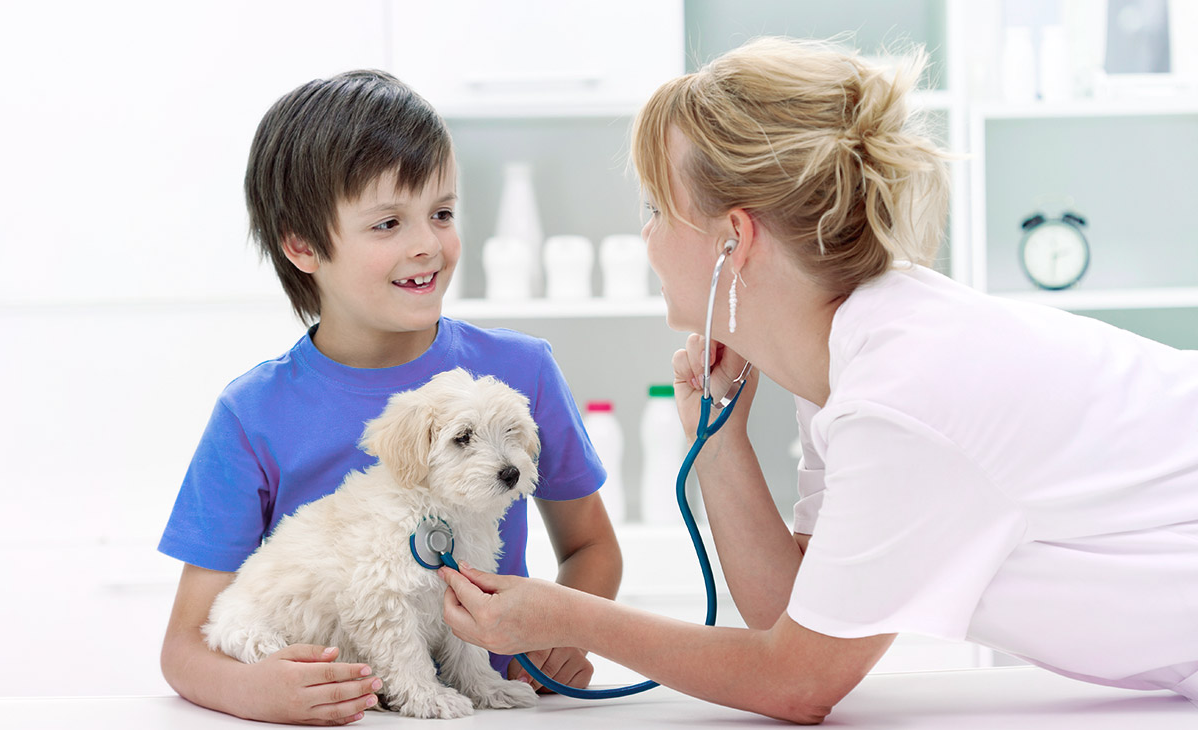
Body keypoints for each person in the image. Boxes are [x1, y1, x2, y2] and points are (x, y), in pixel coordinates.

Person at [438, 36, 1198, 723]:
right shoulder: (847, 354)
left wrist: (569, 617)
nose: (644, 238)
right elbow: (794, 613)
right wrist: (720, 439)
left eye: (655, 210)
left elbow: (799, 682)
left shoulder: (901, 391)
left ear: (734, 238)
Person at [157, 69, 621, 726]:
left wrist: (568, 631)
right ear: (303, 244)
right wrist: (251, 690)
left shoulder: (521, 372)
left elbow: (592, 549)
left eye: (442, 213)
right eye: (387, 223)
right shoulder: (253, 414)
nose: (428, 244)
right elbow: (185, 646)